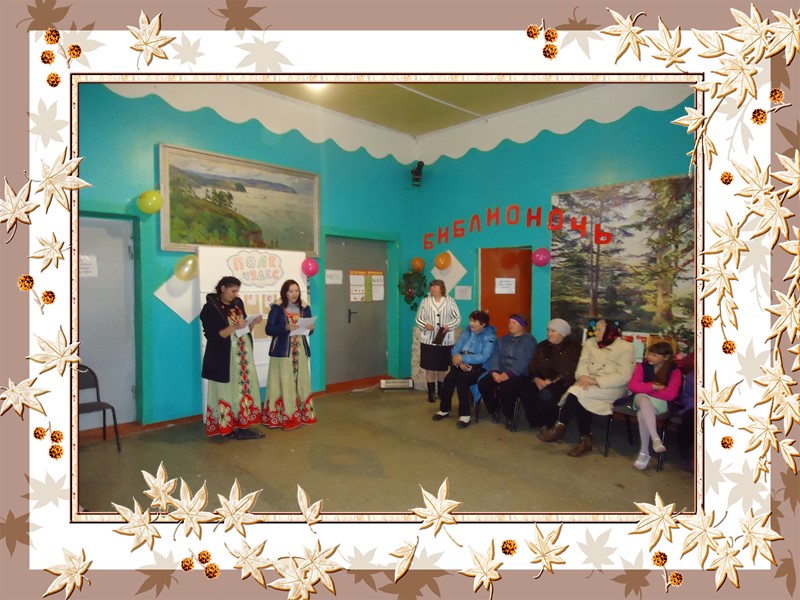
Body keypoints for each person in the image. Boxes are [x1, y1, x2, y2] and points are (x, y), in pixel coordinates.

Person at [539, 319, 636, 457]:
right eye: (595, 329)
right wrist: (583, 377)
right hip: (587, 383)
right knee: (580, 395)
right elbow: (582, 364)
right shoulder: (590, 343)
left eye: (599, 330)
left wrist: (596, 381)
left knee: (577, 393)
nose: (595, 332)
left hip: (612, 387)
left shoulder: (626, 348)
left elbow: (624, 376)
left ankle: (561, 427)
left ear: (610, 332)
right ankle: (584, 439)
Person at [200, 276, 264, 440]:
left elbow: (244, 331)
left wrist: (252, 323)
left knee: (243, 390)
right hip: (224, 359)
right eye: (233, 291)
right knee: (227, 390)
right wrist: (234, 326)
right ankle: (227, 427)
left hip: (242, 357)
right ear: (222, 288)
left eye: (237, 291)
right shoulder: (210, 308)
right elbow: (213, 336)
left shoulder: (237, 304)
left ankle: (242, 426)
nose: (236, 294)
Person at [264, 279, 317, 430]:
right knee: (284, 382)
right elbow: (269, 330)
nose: (294, 294)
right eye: (291, 291)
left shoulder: (305, 307)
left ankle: (303, 415)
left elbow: (308, 332)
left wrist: (311, 328)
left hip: (300, 351)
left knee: (302, 381)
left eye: (297, 291)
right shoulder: (277, 308)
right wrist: (285, 327)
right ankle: (285, 416)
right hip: (282, 352)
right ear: (285, 293)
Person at [432, 310, 496, 428]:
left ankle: (465, 415)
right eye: (470, 320)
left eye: (474, 321)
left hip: (480, 368)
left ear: (483, 324)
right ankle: (444, 409)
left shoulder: (490, 336)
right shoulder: (467, 332)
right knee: (449, 379)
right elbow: (456, 349)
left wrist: (463, 358)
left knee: (462, 380)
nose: (471, 323)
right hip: (462, 363)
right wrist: (460, 361)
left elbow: (484, 357)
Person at [519, 318, 582, 433]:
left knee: (547, 394)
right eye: (548, 330)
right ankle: (536, 421)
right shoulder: (542, 346)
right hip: (541, 380)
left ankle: (550, 424)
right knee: (526, 390)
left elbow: (570, 370)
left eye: (553, 331)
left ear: (562, 333)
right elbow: (533, 365)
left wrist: (550, 381)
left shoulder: (574, 348)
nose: (549, 334)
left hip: (562, 382)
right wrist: (536, 378)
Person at [629, 342, 683, 470]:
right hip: (640, 398)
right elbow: (633, 386)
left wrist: (646, 390)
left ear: (665, 357)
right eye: (649, 354)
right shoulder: (643, 366)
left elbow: (670, 394)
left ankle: (644, 453)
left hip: (661, 403)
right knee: (643, 399)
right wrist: (653, 387)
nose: (650, 357)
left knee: (642, 413)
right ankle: (655, 438)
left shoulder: (674, 371)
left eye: (654, 355)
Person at [477, 314, 537, 429]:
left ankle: (509, 415)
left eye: (514, 323)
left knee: (507, 387)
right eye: (510, 322)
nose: (510, 325)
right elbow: (495, 356)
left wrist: (510, 374)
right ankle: (494, 409)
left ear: (522, 325)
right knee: (484, 384)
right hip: (501, 371)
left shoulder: (529, 341)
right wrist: (494, 371)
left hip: (520, 374)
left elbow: (526, 360)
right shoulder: (502, 340)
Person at [415, 279, 461, 403]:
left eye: (435, 287)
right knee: (429, 368)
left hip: (444, 340)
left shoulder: (450, 301)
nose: (432, 289)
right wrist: (425, 325)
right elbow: (418, 319)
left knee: (442, 368)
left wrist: (448, 326)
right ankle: (431, 393)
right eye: (431, 287)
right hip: (428, 340)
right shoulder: (425, 301)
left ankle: (441, 391)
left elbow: (458, 318)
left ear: (441, 288)